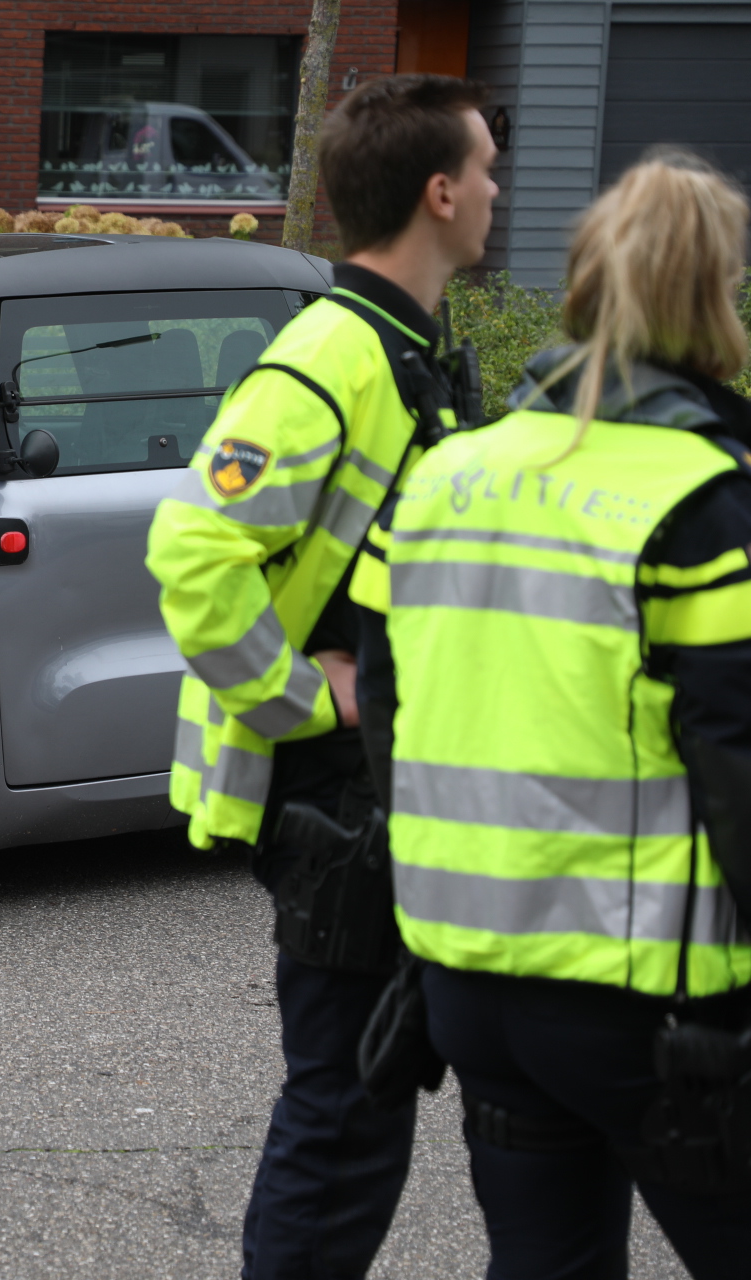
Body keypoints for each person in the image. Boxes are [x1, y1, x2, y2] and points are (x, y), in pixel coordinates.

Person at [359, 151, 751, 1276]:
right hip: (651, 1002)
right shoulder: (701, 500)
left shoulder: (442, 474)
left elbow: (387, 711)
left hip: (471, 984)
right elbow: (737, 759)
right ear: (710, 295)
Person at [144, 74, 498, 1277]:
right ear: (439, 191)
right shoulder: (329, 357)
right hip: (331, 786)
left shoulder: (411, 347)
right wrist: (310, 695)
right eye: (488, 171)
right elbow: (193, 552)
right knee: (345, 1113)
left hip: (386, 778)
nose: (500, 193)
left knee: (371, 1095)